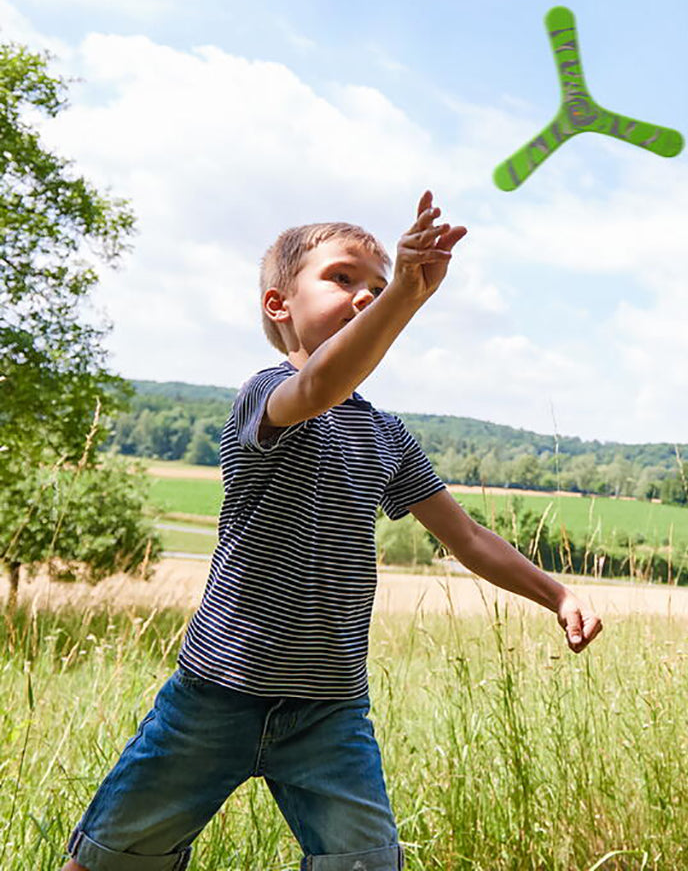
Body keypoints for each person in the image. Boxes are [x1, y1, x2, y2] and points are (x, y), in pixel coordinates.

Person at [63, 190, 603, 871]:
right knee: (113, 859)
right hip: (217, 693)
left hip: (330, 711)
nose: (364, 295)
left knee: (366, 865)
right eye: (342, 278)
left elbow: (464, 537)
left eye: (375, 286)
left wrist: (557, 594)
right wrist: (404, 294)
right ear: (278, 306)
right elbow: (317, 386)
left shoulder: (386, 434)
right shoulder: (265, 397)